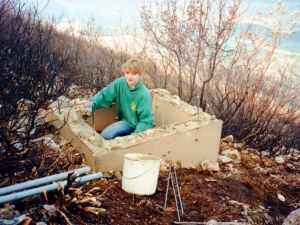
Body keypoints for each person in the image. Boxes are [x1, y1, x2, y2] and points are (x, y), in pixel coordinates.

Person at [86, 58, 155, 140]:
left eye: (134, 74)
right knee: (105, 135)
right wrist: (90, 105)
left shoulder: (143, 94)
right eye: (127, 73)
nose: (129, 76)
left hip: (136, 125)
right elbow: (104, 94)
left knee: (106, 136)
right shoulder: (120, 83)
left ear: (140, 74)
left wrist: (134, 137)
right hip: (125, 121)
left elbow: (146, 121)